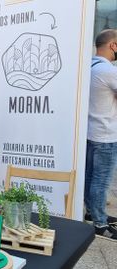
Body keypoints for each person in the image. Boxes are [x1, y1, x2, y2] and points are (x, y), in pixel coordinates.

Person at [85, 29, 117, 241]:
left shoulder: (89, 66)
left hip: (89, 132)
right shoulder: (108, 70)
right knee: (101, 181)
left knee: (90, 178)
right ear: (113, 45)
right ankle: (100, 223)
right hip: (105, 134)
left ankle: (92, 211)